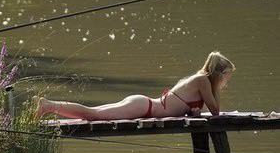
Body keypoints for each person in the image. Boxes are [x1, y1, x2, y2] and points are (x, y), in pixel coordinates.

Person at [35, 51, 235, 120]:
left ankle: (49, 105)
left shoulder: (201, 80)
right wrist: (217, 86)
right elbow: (216, 112)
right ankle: (48, 106)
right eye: (227, 77)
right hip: (144, 107)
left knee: (93, 112)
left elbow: (188, 107)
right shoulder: (203, 80)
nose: (227, 81)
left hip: (143, 104)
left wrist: (193, 112)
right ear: (219, 74)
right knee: (92, 115)